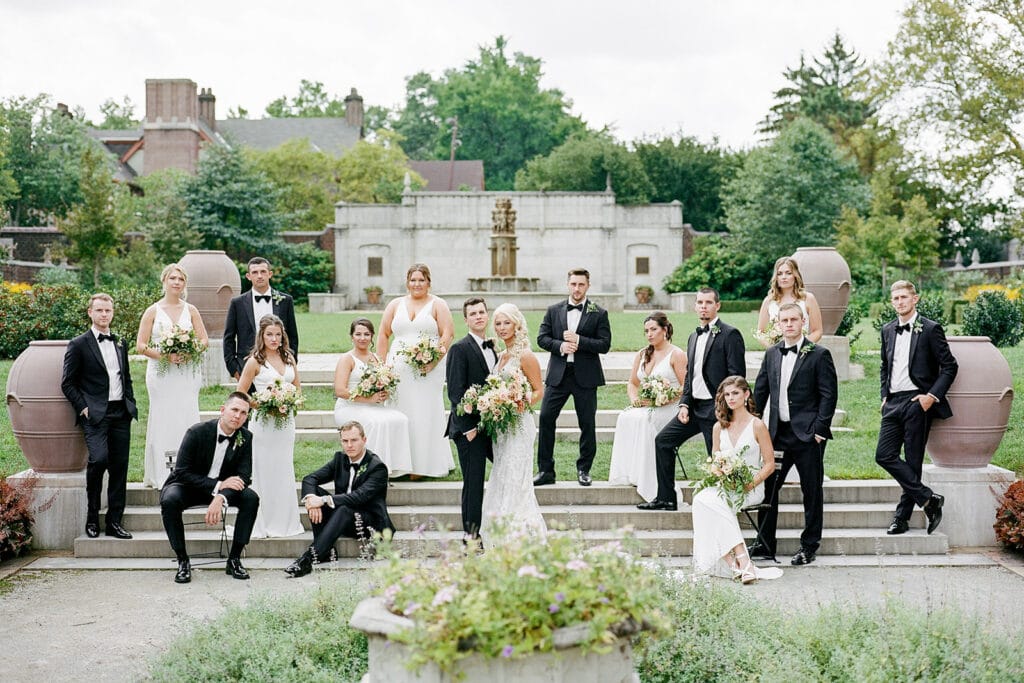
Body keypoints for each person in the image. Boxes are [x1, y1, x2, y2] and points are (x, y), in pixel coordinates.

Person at [641, 287, 746, 511]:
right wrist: (685, 403)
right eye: (700, 302)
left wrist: (725, 408)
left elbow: (736, 377)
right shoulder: (693, 336)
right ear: (695, 306)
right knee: (663, 442)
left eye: (708, 303)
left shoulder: (730, 334)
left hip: (716, 409)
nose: (703, 307)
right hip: (694, 408)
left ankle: (724, 506)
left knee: (717, 459)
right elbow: (690, 375)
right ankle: (667, 498)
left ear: (717, 306)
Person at [752, 302, 838, 566]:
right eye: (783, 320)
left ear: (803, 322)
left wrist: (820, 431)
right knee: (770, 489)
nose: (788, 324)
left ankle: (809, 545)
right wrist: (752, 425)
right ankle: (765, 543)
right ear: (777, 324)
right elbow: (760, 392)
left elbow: (828, 395)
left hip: (808, 435)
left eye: (793, 319)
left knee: (811, 490)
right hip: (778, 434)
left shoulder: (819, 354)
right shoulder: (772, 354)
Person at [876, 280, 957, 536]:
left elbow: (950, 366)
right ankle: (929, 499)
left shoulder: (930, 329)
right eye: (895, 298)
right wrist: (884, 395)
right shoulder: (887, 330)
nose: (899, 302)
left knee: (912, 461)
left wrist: (930, 396)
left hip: (917, 401)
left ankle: (901, 519)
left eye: (904, 297)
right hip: (893, 402)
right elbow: (884, 366)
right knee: (884, 455)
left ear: (915, 299)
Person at [160, 392, 260, 584]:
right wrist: (218, 485)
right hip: (188, 486)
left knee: (251, 498)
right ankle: (182, 561)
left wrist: (221, 496)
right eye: (234, 410)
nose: (238, 416)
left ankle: (235, 559)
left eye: (244, 413)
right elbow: (181, 471)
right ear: (223, 410)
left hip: (222, 491)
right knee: (170, 499)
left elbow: (244, 477)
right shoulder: (197, 432)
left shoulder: (246, 437)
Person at [61, 293, 138, 540]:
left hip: (120, 413)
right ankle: (92, 516)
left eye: (108, 310)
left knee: (119, 468)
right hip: (95, 415)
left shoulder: (120, 342)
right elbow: (68, 383)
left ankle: (115, 521)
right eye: (100, 310)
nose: (104, 315)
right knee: (99, 460)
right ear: (90, 313)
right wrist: (83, 407)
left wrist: (130, 402)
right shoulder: (78, 344)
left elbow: (125, 377)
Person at [691, 376, 782, 583]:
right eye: (727, 394)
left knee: (712, 503)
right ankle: (738, 564)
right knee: (701, 500)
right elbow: (714, 462)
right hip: (725, 487)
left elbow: (769, 464)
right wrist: (720, 473)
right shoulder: (718, 427)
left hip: (751, 487)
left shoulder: (757, 425)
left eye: (735, 393)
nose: (731, 398)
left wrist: (749, 483)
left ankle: (739, 562)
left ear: (746, 394)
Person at [284, 421, 396, 577]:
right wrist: (312, 499)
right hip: (342, 518)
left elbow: (358, 497)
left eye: (354, 440)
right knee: (314, 493)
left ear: (364, 440)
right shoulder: (340, 459)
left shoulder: (377, 467)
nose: (349, 445)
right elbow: (310, 478)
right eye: (345, 441)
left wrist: (323, 500)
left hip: (368, 523)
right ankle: (327, 551)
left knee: (341, 508)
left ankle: (308, 560)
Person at [534, 268, 612, 487]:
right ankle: (545, 470)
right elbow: (542, 338)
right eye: (573, 284)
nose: (577, 288)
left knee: (587, 424)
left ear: (588, 285)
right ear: (568, 285)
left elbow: (604, 345)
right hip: (558, 376)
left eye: (581, 284)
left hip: (586, 377)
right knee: (546, 418)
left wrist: (580, 341)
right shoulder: (553, 310)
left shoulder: (599, 312)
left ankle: (584, 470)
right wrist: (560, 345)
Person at [377, 263, 455, 477]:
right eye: (413, 280)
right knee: (399, 411)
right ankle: (399, 464)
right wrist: (382, 368)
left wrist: (433, 360)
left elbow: (447, 334)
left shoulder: (438, 304)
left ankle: (422, 466)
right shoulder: (395, 304)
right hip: (398, 369)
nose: (417, 284)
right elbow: (383, 335)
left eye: (421, 280)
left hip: (428, 370)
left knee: (424, 413)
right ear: (407, 282)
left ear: (428, 282)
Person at [136, 263, 208, 489]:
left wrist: (190, 351)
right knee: (164, 417)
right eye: (173, 278)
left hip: (187, 374)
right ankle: (162, 471)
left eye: (181, 279)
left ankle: (190, 469)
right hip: (161, 374)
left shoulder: (192, 310)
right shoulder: (152, 311)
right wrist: (165, 357)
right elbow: (140, 345)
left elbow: (204, 340)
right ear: (164, 281)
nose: (177, 282)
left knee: (187, 415)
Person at [481, 303, 547, 542]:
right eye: (497, 323)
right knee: (502, 474)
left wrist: (524, 400)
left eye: (506, 322)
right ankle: (500, 533)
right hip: (502, 427)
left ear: (517, 324)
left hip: (519, 424)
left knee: (516, 477)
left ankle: (520, 537)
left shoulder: (525, 355)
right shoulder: (501, 356)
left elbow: (539, 389)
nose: (501, 328)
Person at [607, 312, 687, 502]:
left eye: (653, 329)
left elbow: (686, 387)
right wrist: (635, 399)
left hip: (672, 407)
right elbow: (632, 383)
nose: (649, 334)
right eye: (646, 331)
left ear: (665, 330)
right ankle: (632, 473)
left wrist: (663, 398)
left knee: (645, 420)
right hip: (648, 405)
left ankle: (650, 483)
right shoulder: (643, 354)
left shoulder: (677, 354)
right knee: (625, 416)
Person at [236, 315, 304, 538]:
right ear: (261, 336)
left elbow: (297, 389)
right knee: (264, 469)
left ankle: (284, 520)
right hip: (264, 423)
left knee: (283, 467)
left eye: (277, 334)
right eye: (269, 335)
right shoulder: (254, 361)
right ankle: (262, 520)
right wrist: (264, 404)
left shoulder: (289, 358)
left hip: (285, 423)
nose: (274, 339)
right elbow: (241, 393)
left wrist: (289, 402)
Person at [444, 297, 498, 541]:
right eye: (473, 314)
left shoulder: (492, 348)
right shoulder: (459, 348)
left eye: (481, 312)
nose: (478, 316)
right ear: (465, 320)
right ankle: (471, 535)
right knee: (473, 481)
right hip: (468, 429)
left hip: (490, 425)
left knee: (504, 472)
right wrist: (468, 428)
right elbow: (455, 393)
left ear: (487, 316)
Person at [333, 318, 413, 477]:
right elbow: (340, 391)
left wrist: (385, 392)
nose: (362, 338)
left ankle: (391, 468)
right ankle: (370, 471)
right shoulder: (347, 359)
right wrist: (368, 399)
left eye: (366, 334)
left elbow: (384, 383)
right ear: (352, 336)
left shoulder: (376, 359)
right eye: (358, 334)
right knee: (377, 423)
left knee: (400, 418)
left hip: (374, 407)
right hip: (349, 407)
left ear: (372, 336)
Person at [223, 256, 300, 381]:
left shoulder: (285, 301)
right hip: (246, 365)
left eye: (263, 272)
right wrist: (233, 368)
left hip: (279, 364)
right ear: (248, 276)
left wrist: (291, 362)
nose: (259, 276)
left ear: (270, 274)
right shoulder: (237, 303)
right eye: (255, 272)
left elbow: (292, 335)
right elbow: (229, 338)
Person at [755, 256, 823, 347]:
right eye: (779, 274)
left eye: (788, 273)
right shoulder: (769, 301)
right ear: (776, 277)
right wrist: (774, 349)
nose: (784, 277)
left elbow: (817, 331)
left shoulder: (808, 299)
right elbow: (760, 332)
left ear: (795, 275)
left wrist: (801, 347)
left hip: (802, 353)